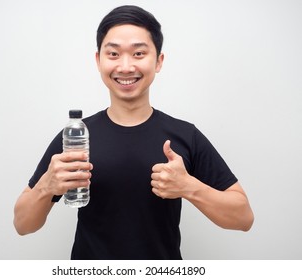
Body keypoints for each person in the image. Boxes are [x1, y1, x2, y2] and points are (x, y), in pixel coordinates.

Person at [13, 5, 254, 260]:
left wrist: (188, 187)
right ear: (98, 61)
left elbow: (243, 217)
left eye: (139, 53)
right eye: (114, 54)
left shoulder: (184, 135)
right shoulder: (76, 137)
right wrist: (46, 186)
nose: (126, 67)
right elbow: (23, 225)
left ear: (158, 61)